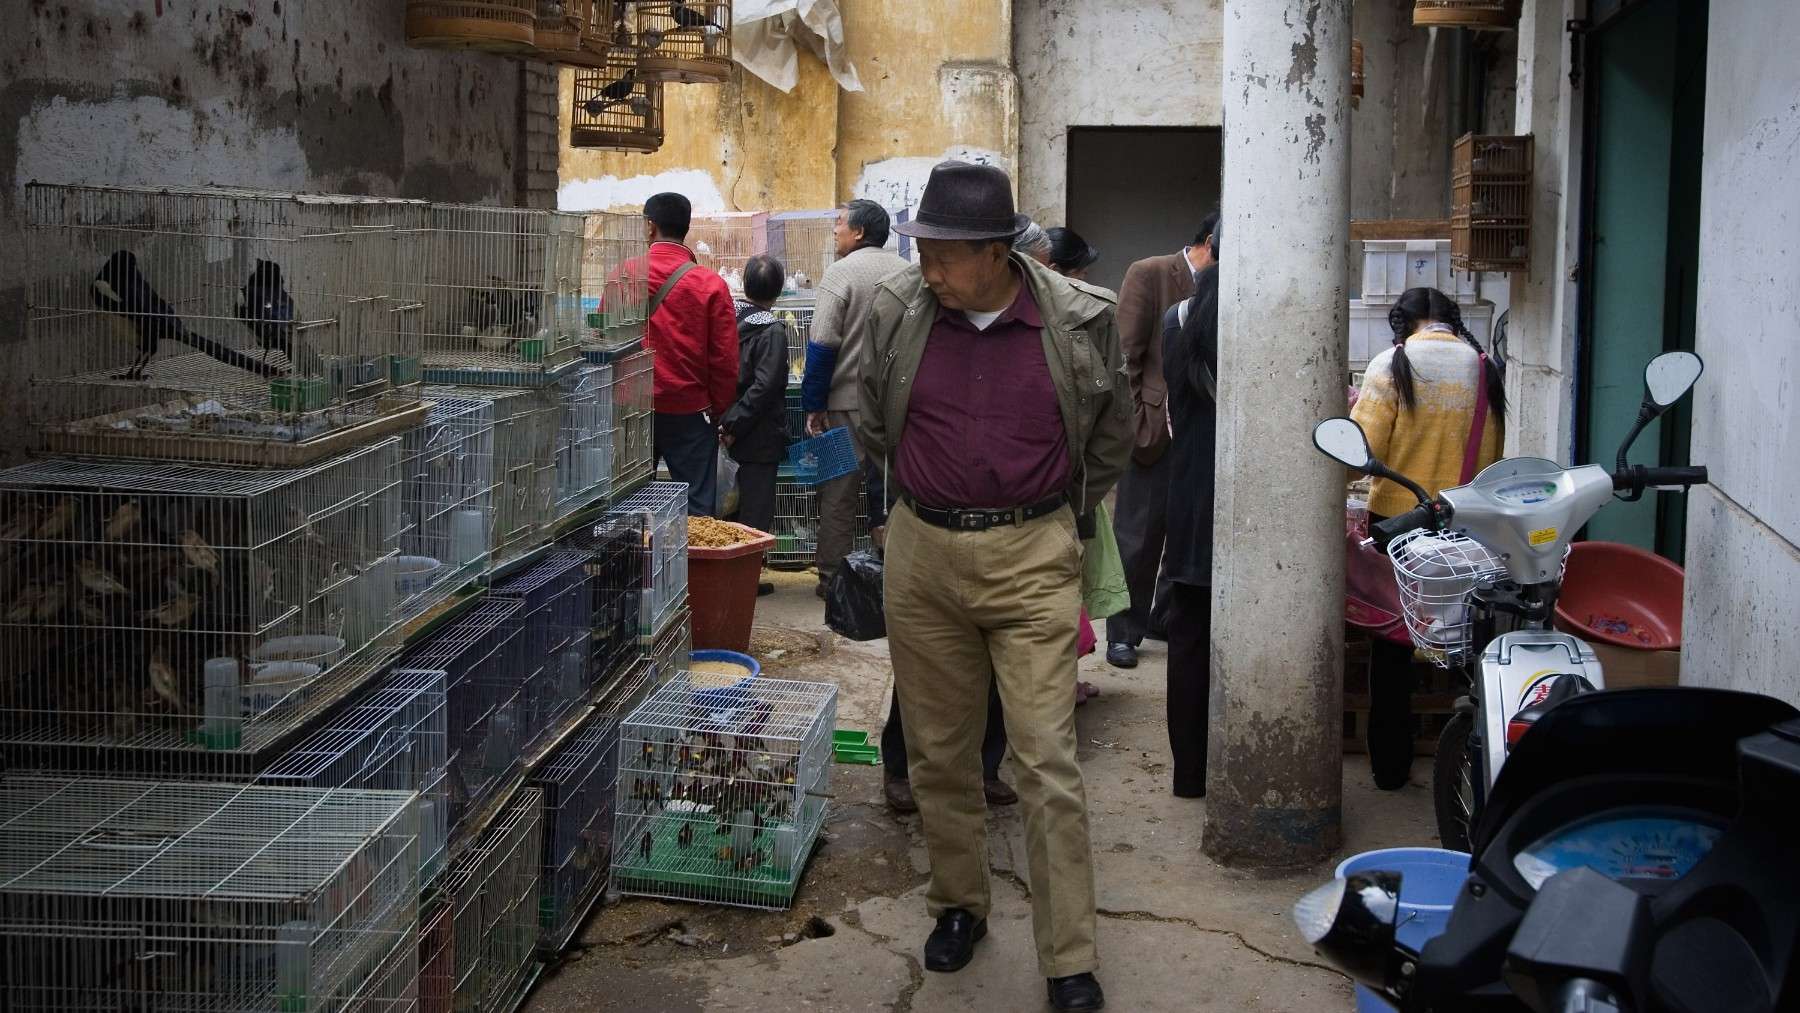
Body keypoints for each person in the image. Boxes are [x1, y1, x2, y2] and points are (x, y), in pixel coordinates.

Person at [861, 160, 1129, 1013]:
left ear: (997, 252)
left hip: (1031, 557)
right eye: (922, 248)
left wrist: (1052, 520)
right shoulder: (901, 309)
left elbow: (1113, 435)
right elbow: (873, 416)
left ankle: (1070, 957)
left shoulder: (1080, 321)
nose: (926, 266)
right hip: (923, 553)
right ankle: (958, 906)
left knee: (1046, 759)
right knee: (940, 754)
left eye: (942, 253)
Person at [1350, 286, 1506, 789]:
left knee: (1392, 643)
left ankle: (1390, 768)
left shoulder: (1391, 365)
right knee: (1465, 639)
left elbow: (1361, 449)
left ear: (1404, 323)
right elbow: (1494, 454)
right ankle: (1473, 760)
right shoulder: (1485, 367)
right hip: (1466, 523)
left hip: (1397, 521)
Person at [1105, 211, 1218, 669]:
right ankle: (1122, 633)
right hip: (1154, 428)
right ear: (1210, 242)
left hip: (1201, 430)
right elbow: (1124, 356)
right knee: (1137, 537)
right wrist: (1136, 425)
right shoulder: (1151, 272)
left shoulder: (1225, 284)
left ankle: (1161, 618)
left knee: (1188, 530)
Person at [802, 199, 909, 596]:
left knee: (837, 492)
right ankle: (897, 576)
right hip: (897, 405)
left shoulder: (840, 273)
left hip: (843, 404)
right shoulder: (907, 273)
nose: (835, 230)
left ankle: (832, 578)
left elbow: (822, 344)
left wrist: (813, 404)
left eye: (840, 224)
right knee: (896, 487)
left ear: (859, 232)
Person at [1159, 224, 1221, 799]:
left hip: (1192, 497)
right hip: (1257, 504)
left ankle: (1189, 776)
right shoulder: (1273, 319)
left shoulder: (1178, 319)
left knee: (1190, 637)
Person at [642, 192, 738, 516]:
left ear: (650, 227)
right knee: (696, 506)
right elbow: (725, 360)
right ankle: (694, 566)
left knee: (630, 504)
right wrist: (717, 410)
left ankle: (630, 566)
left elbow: (606, 344)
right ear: (686, 228)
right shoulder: (709, 284)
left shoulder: (625, 276)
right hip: (692, 412)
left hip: (634, 410)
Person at [720, 255, 790, 595]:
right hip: (757, 436)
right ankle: (745, 580)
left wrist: (725, 421)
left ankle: (726, 574)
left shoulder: (727, 317)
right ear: (777, 291)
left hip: (721, 428)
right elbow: (766, 386)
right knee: (755, 509)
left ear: (745, 284)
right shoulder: (772, 331)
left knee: (726, 505)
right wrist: (737, 422)